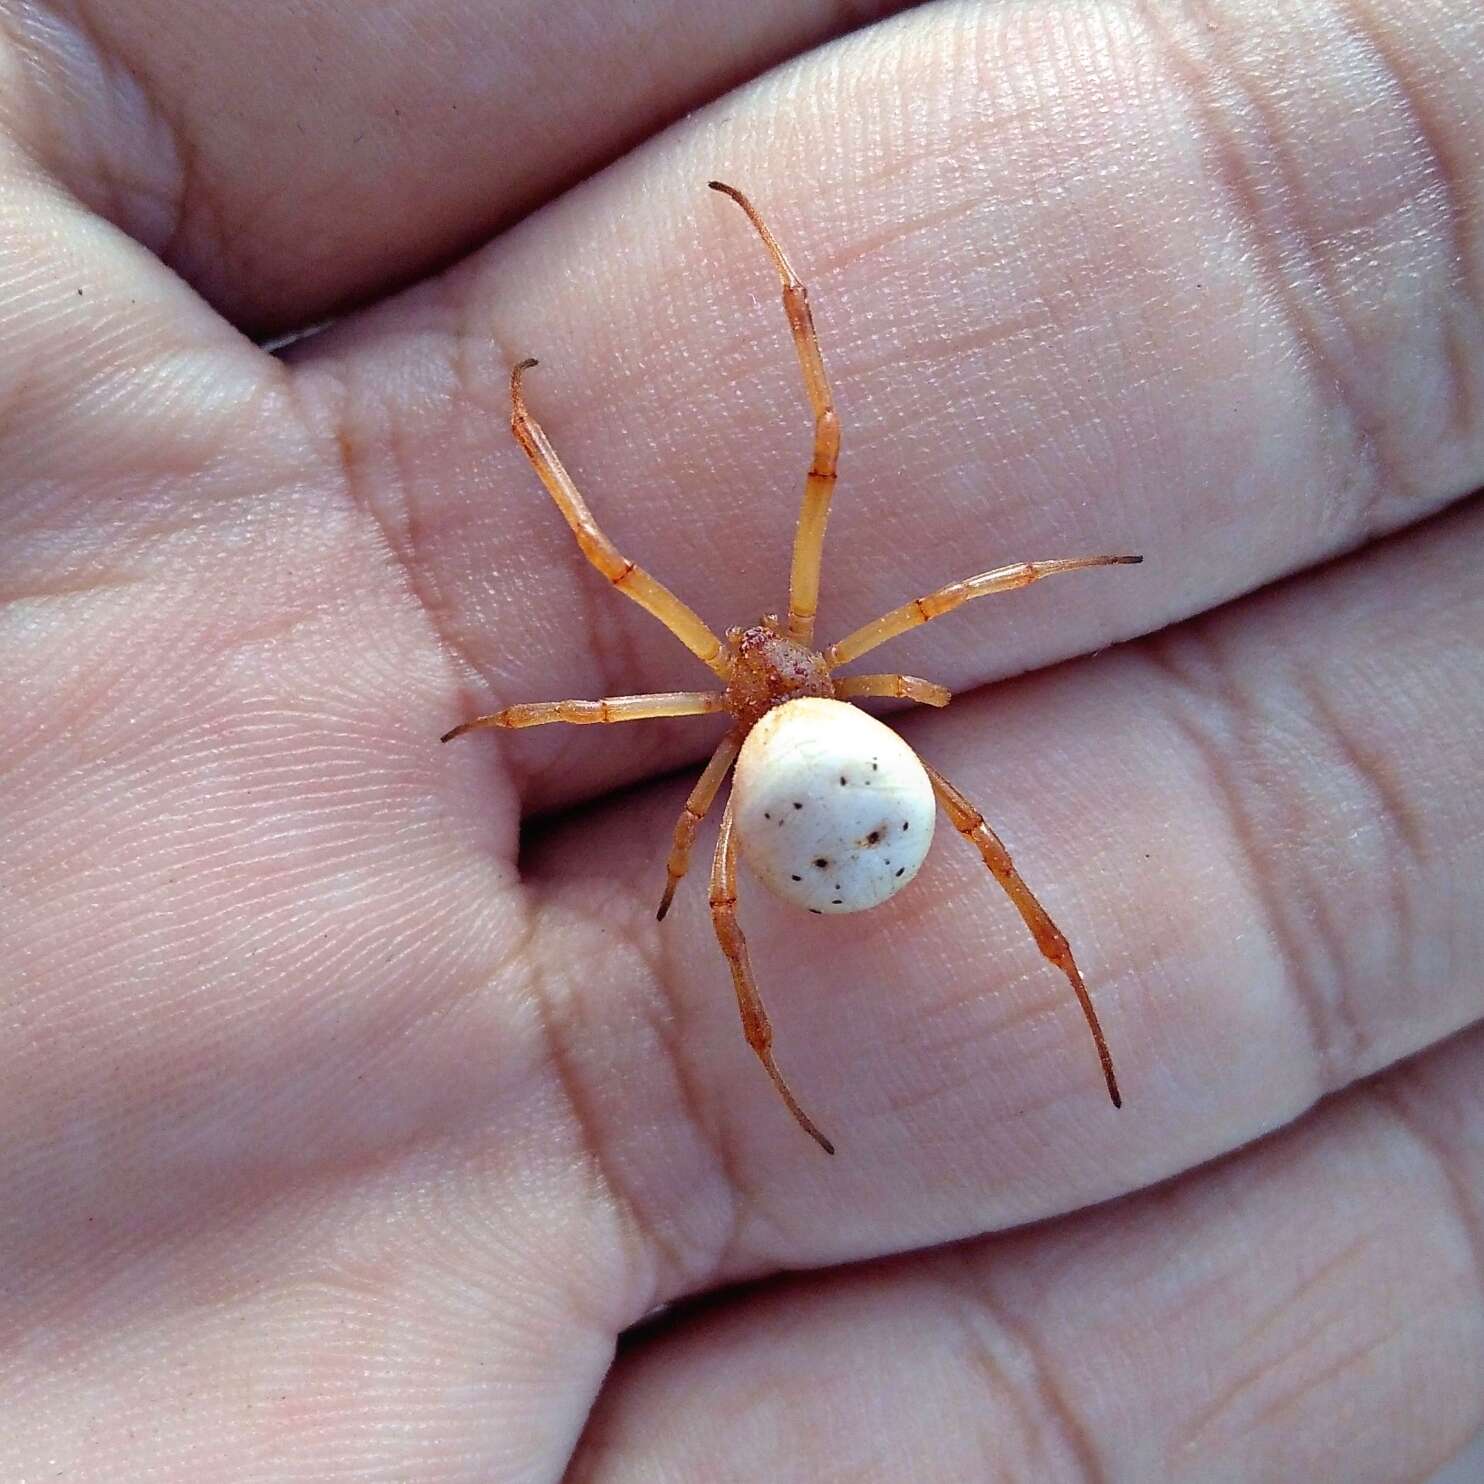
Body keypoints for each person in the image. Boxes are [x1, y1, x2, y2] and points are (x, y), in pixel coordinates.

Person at [1, 1, 1481, 1478]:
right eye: (766, 655)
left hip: (806, 790)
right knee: (882, 840)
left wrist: (535, 635)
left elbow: (649, 690)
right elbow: (694, 647)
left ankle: (1031, 1008)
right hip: (824, 779)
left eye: (769, 653)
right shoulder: (803, 677)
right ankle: (979, 1021)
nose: (764, 647)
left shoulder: (723, 707)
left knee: (748, 857)